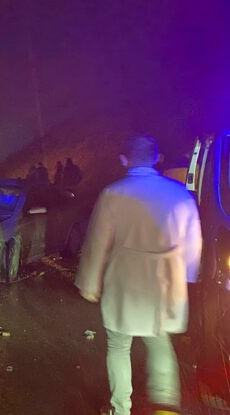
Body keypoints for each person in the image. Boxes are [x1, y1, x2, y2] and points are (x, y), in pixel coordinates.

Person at [75, 135, 202, 415]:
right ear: (157, 158)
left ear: (124, 159)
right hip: (166, 282)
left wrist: (89, 282)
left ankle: (120, 408)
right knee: (160, 341)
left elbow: (97, 241)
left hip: (125, 279)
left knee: (119, 345)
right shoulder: (179, 193)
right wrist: (188, 277)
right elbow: (193, 242)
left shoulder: (113, 193)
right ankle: (166, 407)